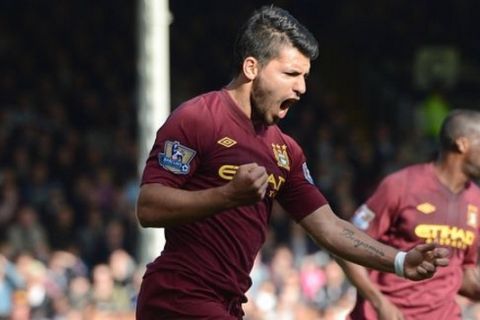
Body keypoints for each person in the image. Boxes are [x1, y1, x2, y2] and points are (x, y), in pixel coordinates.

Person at [135, 5, 449, 319]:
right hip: (177, 297)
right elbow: (149, 207)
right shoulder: (198, 119)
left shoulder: (284, 150)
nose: (301, 88)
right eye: (291, 74)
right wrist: (226, 195)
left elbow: (329, 228)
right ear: (251, 67)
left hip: (228, 303)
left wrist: (399, 261)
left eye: (305, 77)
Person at [336, 109, 480, 320]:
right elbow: (343, 245)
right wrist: (379, 302)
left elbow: (462, 273)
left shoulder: (476, 200)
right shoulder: (402, 186)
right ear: (462, 144)